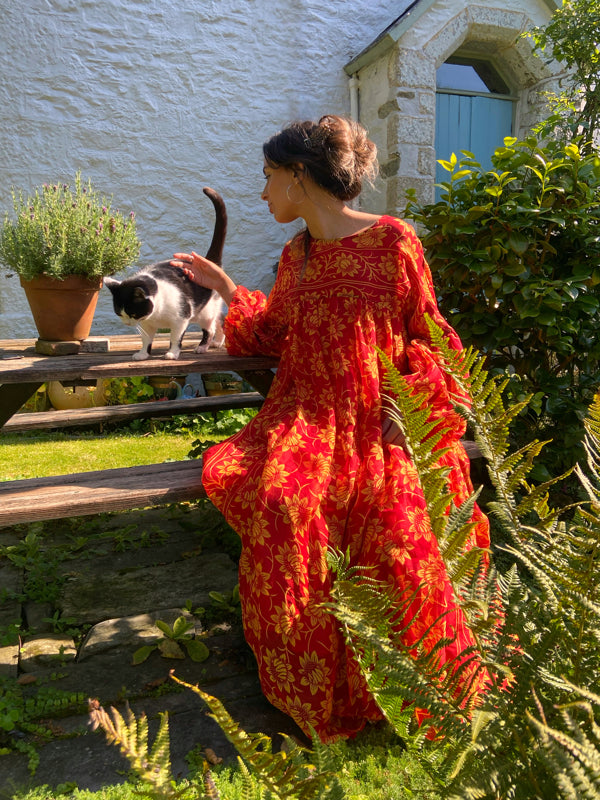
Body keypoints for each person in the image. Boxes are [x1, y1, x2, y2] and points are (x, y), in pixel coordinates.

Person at [171, 114, 490, 743]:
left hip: (381, 421)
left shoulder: (395, 242)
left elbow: (429, 338)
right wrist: (228, 289)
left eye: (268, 178)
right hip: (306, 417)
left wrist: (417, 411)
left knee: (393, 525)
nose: (263, 193)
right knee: (283, 504)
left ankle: (405, 681)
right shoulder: (298, 255)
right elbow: (273, 331)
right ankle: (312, 680)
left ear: (298, 174)